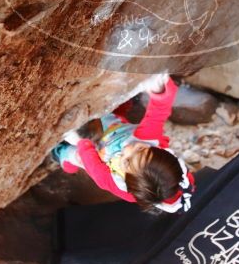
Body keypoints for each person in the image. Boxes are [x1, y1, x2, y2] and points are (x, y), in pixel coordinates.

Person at [50, 75, 195, 213]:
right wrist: (159, 90)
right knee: (109, 116)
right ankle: (120, 110)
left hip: (102, 158)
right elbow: (159, 113)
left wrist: (80, 143)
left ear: (127, 180)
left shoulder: (117, 184)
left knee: (75, 155)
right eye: (140, 149)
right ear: (157, 150)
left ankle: (62, 157)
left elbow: (94, 167)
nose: (128, 149)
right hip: (116, 131)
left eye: (126, 162)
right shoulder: (151, 139)